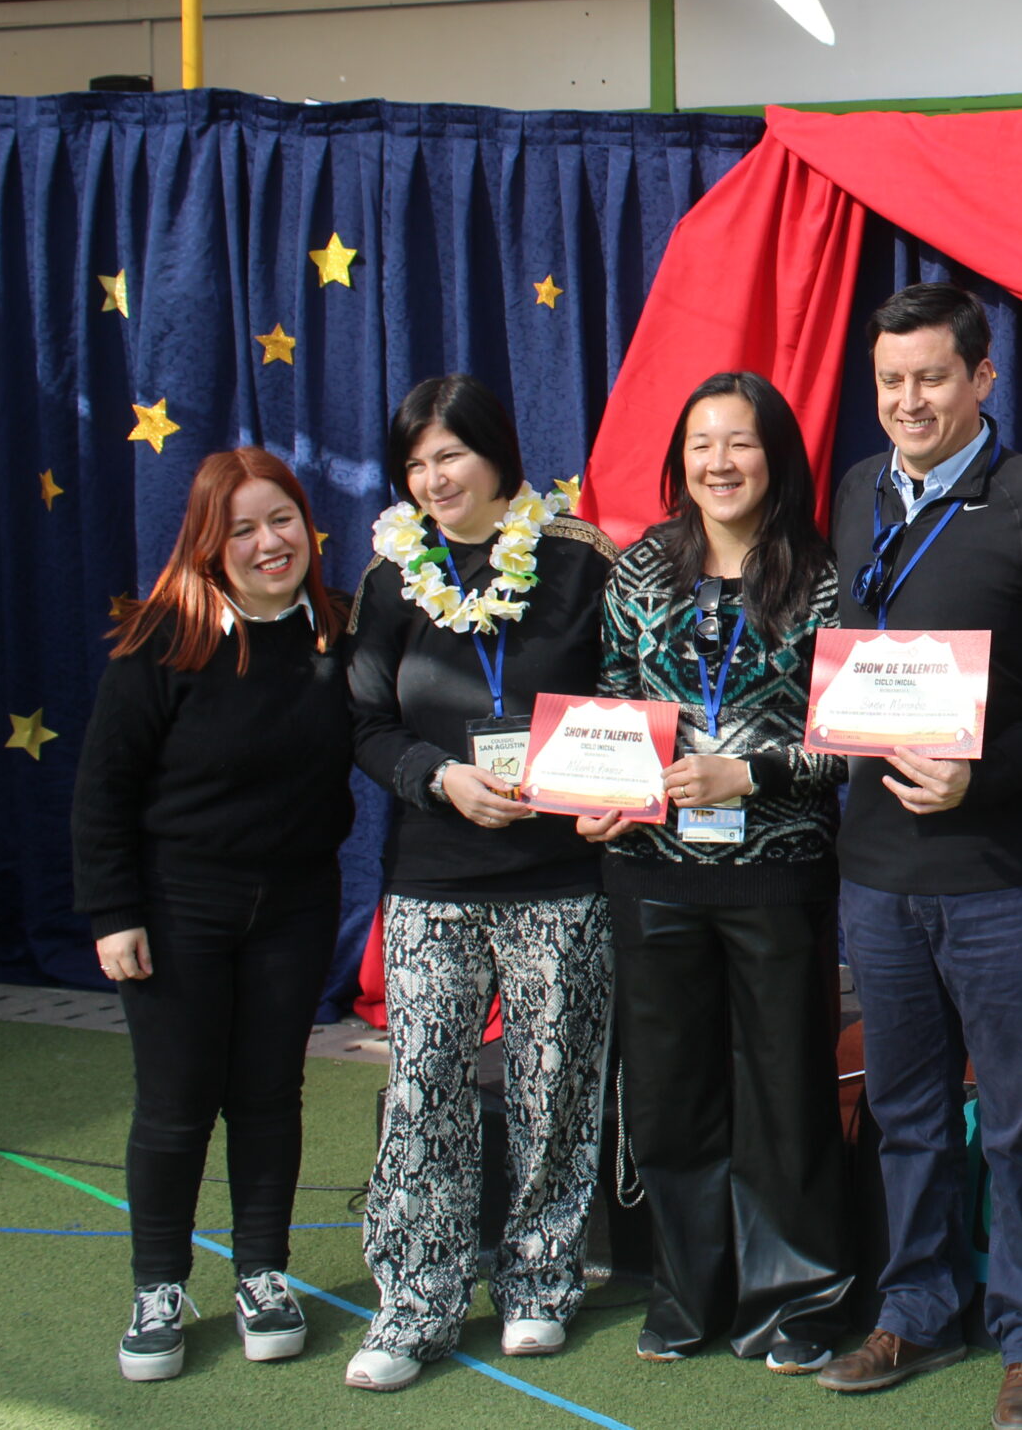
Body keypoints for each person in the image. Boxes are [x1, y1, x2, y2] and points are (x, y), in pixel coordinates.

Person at [816, 284, 1022, 1430]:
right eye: (890, 382)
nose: (909, 401)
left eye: (931, 378)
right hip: (878, 873)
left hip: (1007, 876)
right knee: (905, 1113)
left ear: (982, 378)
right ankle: (916, 1308)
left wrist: (978, 776)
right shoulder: (856, 492)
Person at [344, 374, 619, 1391]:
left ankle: (540, 1281)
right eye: (415, 464)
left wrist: (611, 789)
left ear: (497, 451)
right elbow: (366, 723)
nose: (434, 478)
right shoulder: (390, 576)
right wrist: (438, 777)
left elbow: (628, 696)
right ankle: (415, 1299)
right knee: (424, 1090)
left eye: (450, 454)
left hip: (561, 876)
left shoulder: (579, 559)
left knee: (557, 1087)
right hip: (433, 878)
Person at [578, 371, 851, 1371]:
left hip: (777, 871)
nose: (719, 462)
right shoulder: (641, 568)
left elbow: (850, 739)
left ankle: (799, 1301)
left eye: (740, 442)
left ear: (774, 455)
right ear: (679, 459)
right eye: (701, 443)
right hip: (651, 872)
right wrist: (600, 791)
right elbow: (612, 696)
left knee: (785, 1093)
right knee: (669, 1095)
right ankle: (687, 1292)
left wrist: (754, 771)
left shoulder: (821, 577)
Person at [72, 449, 356, 1382]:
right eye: (242, 528)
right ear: (207, 543)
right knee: (177, 1101)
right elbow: (104, 790)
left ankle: (262, 1274)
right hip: (177, 907)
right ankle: (158, 1286)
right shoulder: (164, 638)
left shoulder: (340, 628)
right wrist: (115, 913)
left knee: (270, 1094)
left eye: (282, 519)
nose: (269, 542)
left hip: (296, 906)